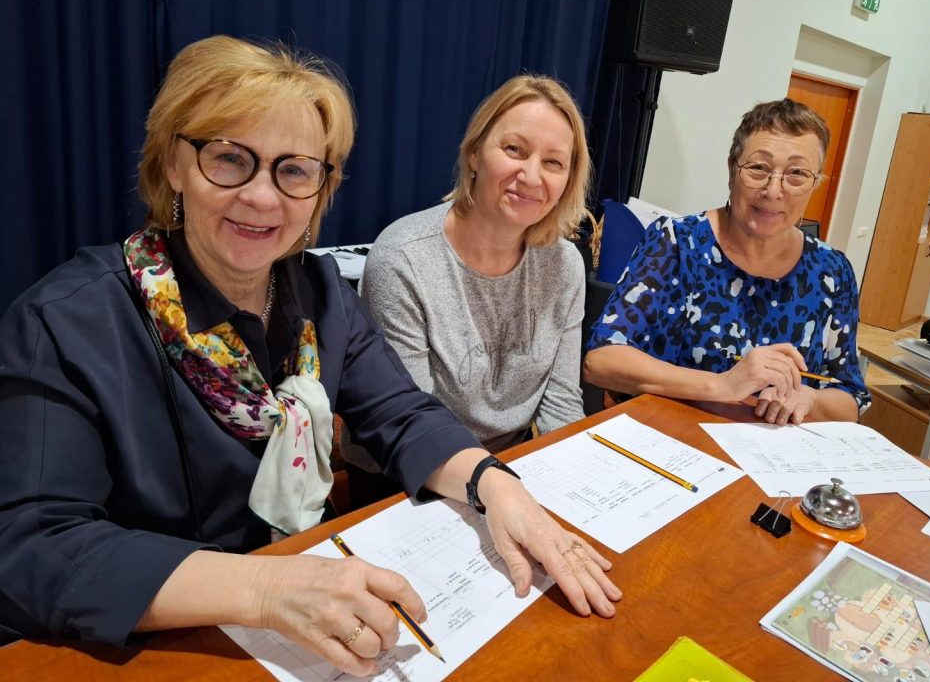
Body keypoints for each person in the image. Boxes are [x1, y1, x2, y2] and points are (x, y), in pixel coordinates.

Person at [0, 36, 619, 676]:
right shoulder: (65, 321)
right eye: (230, 158)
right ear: (174, 164)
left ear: (322, 188)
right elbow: (28, 546)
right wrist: (266, 588)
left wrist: (498, 487)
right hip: (153, 643)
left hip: (306, 617)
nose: (263, 197)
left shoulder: (319, 296)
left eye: (294, 170)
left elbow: (403, 414)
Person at [352, 75, 589, 506]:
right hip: (404, 478)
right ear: (474, 152)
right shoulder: (403, 258)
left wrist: (577, 494)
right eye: (514, 149)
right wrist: (497, 492)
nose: (531, 176)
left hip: (510, 470)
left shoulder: (564, 264)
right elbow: (412, 426)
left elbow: (561, 402)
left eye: (554, 162)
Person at [584, 98, 869, 426]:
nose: (773, 190)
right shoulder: (678, 242)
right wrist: (723, 384)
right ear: (732, 168)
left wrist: (811, 398)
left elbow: (850, 397)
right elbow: (602, 360)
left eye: (797, 174)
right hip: (672, 439)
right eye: (758, 168)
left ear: (815, 183)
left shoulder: (832, 270)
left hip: (770, 450)